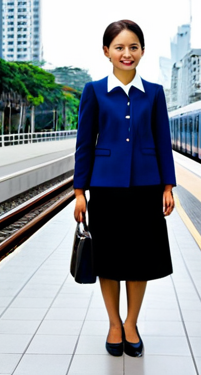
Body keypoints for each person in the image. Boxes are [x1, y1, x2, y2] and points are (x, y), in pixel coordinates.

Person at [73, 19, 176, 358]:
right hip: (106, 189)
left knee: (140, 260)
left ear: (142, 51)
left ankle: (131, 323)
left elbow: (163, 141)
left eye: (133, 47)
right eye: (119, 47)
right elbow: (85, 144)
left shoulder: (155, 94)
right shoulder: (94, 91)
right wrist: (79, 192)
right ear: (106, 52)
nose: (126, 53)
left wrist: (167, 186)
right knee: (110, 260)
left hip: (146, 188)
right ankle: (114, 324)